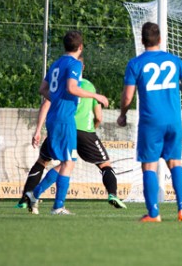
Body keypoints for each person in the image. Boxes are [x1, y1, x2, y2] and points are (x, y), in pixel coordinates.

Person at [15, 57, 126, 212]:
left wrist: (38, 129)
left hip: (59, 128)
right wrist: (91, 129)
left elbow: (46, 102)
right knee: (104, 164)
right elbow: (99, 116)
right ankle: (112, 194)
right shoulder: (88, 86)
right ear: (83, 67)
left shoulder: (59, 85)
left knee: (49, 162)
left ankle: (30, 195)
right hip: (82, 132)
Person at [117, 22, 182, 223]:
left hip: (151, 121)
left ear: (142, 41)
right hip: (174, 121)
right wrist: (172, 86)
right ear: (160, 39)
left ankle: (153, 213)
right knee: (175, 163)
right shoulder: (173, 60)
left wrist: (123, 114)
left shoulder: (135, 63)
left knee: (149, 167)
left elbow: (127, 97)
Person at [25, 30, 109, 215]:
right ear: (80, 47)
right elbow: (72, 88)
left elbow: (42, 89)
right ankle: (57, 206)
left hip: (55, 117)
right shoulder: (74, 64)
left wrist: (56, 99)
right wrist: (96, 95)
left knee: (66, 161)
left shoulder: (56, 64)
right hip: (64, 119)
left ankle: (36, 194)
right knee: (68, 162)